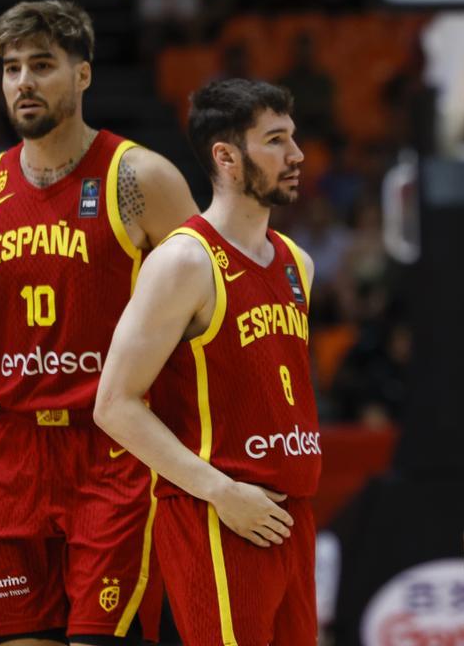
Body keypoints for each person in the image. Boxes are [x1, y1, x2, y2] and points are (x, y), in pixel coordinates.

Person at [0, 0, 197, 644]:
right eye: (11, 67)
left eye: (42, 65)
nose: (23, 81)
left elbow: (210, 320)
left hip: (110, 450)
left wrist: (203, 464)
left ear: (82, 75)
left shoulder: (138, 177)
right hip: (13, 459)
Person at [94, 79, 319, 645]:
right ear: (227, 157)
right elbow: (114, 404)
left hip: (291, 519)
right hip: (217, 516)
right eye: (275, 140)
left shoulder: (297, 263)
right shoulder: (183, 261)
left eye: (293, 137)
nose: (296, 155)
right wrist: (221, 491)